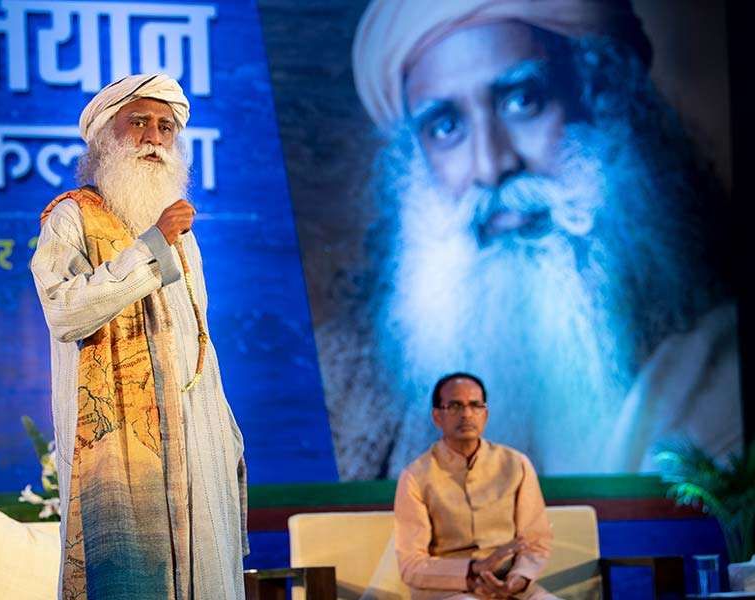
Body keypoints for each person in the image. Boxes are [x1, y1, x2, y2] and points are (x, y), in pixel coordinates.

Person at [317, 0, 740, 479]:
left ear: (598, 103)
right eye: (446, 126)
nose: (491, 163)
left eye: (522, 101)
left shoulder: (710, 361)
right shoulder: (343, 382)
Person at [30, 73, 248, 600]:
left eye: (166, 126)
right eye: (139, 122)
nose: (154, 137)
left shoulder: (180, 235)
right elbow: (64, 311)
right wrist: (152, 246)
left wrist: (226, 436)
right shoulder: (71, 217)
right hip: (121, 445)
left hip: (197, 440)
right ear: (106, 136)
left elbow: (198, 346)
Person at [394, 373, 555, 600]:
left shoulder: (516, 464)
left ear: (485, 415)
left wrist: (517, 580)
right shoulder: (415, 476)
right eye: (455, 406)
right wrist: (474, 569)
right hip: (449, 591)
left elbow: (536, 541)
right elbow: (411, 565)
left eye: (475, 405)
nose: (467, 414)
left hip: (511, 586)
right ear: (437, 417)